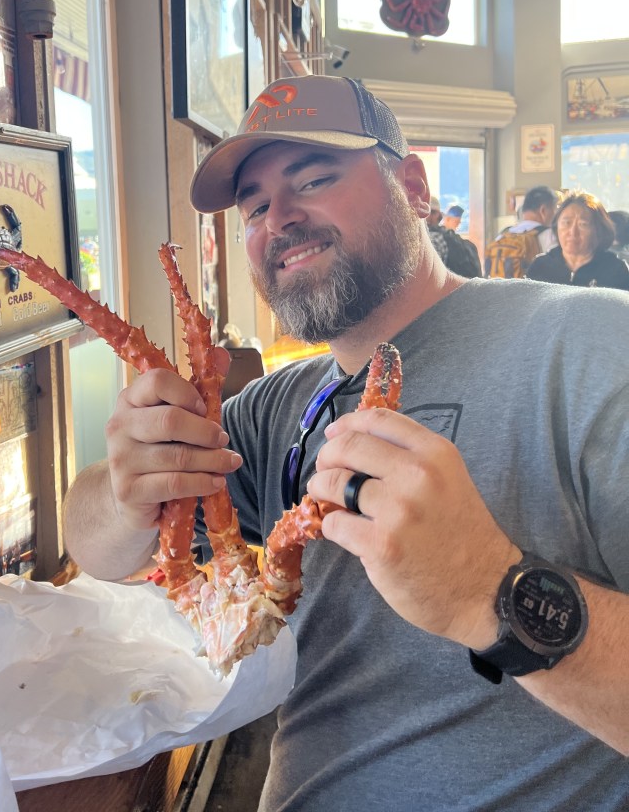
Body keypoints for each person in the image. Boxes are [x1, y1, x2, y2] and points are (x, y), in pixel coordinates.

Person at [63, 75, 629, 810]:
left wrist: (489, 589)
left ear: (414, 187)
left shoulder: (594, 345)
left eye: (313, 179)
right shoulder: (275, 409)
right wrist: (124, 491)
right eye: (255, 207)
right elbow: (95, 549)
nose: (280, 219)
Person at [526, 190, 629, 290]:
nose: (572, 232)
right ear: (556, 227)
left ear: (598, 230)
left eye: (583, 224)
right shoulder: (541, 266)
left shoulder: (616, 270)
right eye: (566, 223)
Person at [485, 184, 558, 278]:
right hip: (530, 287)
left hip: (497, 287)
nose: (556, 214)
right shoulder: (550, 236)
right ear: (543, 211)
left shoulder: (502, 236)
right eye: (554, 209)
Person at [427, 197, 482, 277]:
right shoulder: (466, 244)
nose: (458, 225)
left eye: (458, 222)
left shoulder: (434, 239)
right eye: (456, 222)